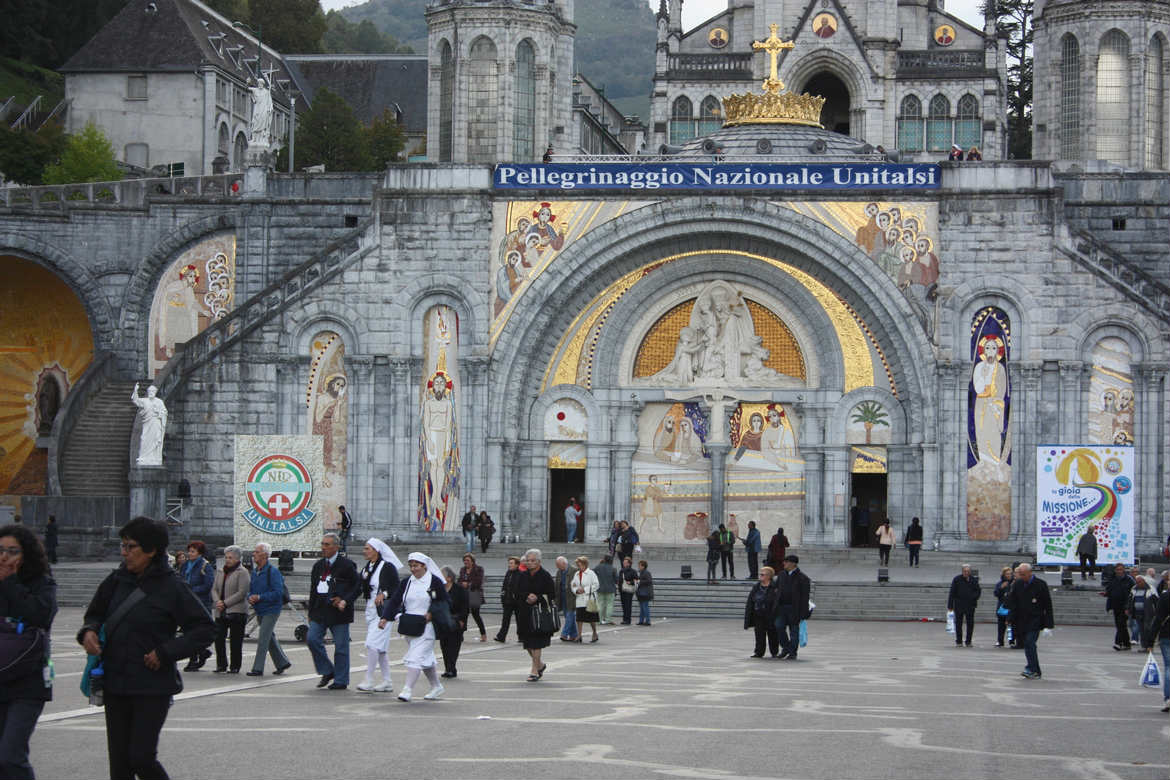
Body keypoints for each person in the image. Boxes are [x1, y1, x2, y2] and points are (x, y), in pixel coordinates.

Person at [78, 517, 213, 780]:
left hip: (152, 686)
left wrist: (166, 652)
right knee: (119, 765)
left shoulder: (172, 586)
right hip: (115, 682)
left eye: (131, 547)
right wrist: (89, 631)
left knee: (141, 758)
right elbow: (94, 614)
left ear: (151, 550)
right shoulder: (116, 580)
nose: (124, 552)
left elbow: (204, 629)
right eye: (123, 546)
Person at [0, 523, 57, 779]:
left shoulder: (41, 583)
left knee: (10, 755)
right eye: (0, 550)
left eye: (13, 551)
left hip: (28, 680)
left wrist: (10, 582)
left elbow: (40, 615)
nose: (4, 557)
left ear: (27, 554)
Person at [381, 553, 450, 701]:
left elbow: (444, 601)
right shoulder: (407, 582)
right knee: (425, 658)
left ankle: (407, 690)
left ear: (424, 566)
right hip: (410, 625)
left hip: (427, 627)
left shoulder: (434, 582)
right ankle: (436, 686)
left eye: (416, 566)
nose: (413, 569)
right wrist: (385, 617)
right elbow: (395, 600)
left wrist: (432, 612)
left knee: (415, 657)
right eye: (411, 566)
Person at [307, 533, 360, 690]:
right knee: (312, 639)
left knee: (341, 647)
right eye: (322, 544)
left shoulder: (347, 565)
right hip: (319, 610)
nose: (323, 547)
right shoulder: (318, 566)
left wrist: (344, 599)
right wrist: (310, 612)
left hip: (339, 612)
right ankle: (327, 670)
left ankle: (341, 680)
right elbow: (313, 590)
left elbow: (356, 587)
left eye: (327, 545)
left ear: (336, 547)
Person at [356, 538, 401, 692]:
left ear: (376, 551)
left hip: (384, 612)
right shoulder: (367, 567)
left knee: (372, 644)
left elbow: (396, 588)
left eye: (367, 548)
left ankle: (369, 679)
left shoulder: (387, 567)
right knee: (380, 649)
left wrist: (384, 594)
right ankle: (387, 681)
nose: (364, 551)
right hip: (371, 609)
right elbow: (359, 587)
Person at [245, 542, 291, 676]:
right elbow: (250, 589)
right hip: (260, 609)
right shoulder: (255, 572)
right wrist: (250, 597)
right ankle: (282, 662)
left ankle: (257, 668)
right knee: (269, 637)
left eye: (257, 552)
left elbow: (278, 592)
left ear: (265, 555)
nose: (254, 554)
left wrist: (260, 597)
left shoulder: (273, 572)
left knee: (263, 638)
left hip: (271, 610)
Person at [516, 549, 556, 682]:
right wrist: (526, 596)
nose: (529, 563)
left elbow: (552, 595)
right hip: (525, 613)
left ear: (539, 561)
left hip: (540, 614)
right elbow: (517, 591)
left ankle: (534, 670)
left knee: (536, 643)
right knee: (527, 643)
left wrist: (537, 597)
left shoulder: (545, 576)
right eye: (528, 560)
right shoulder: (522, 575)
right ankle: (540, 665)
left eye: (532, 560)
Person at [1008, 562, 1053, 679]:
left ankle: (1031, 668)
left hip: (1035, 619)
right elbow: (1013, 602)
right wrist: (1010, 617)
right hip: (1022, 620)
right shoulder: (1018, 584)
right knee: (1027, 645)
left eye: (1023, 574)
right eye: (1020, 574)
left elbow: (1048, 605)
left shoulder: (1040, 584)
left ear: (1030, 573)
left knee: (1029, 642)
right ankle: (1035, 670)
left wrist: (1049, 625)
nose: (1021, 576)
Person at [210, 545, 248, 673]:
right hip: (220, 611)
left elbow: (242, 592)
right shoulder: (221, 571)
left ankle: (235, 666)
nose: (227, 560)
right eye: (226, 557)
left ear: (237, 559)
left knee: (235, 641)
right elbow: (214, 589)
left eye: (230, 558)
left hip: (237, 611)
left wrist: (225, 603)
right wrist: (217, 601)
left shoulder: (242, 572)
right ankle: (221, 665)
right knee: (219, 638)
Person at [180, 540, 214, 671]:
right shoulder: (185, 565)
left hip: (200, 603)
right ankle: (199, 654)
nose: (190, 554)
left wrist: (192, 590)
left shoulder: (205, 566)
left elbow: (208, 585)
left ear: (200, 553)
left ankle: (196, 657)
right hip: (187, 602)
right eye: (189, 551)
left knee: (197, 632)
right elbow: (181, 579)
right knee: (188, 632)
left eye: (193, 551)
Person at [1142, 573, 1170, 711]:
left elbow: (1158, 618)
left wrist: (1150, 641)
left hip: (1166, 635)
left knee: (1169, 667)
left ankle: (1169, 699)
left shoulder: (1165, 597)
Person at [775, 555, 811, 660]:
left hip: (794, 608)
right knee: (779, 626)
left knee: (794, 631)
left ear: (793, 564)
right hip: (781, 607)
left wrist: (803, 613)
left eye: (786, 562)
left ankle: (792, 652)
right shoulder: (781, 575)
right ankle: (786, 648)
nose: (784, 563)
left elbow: (805, 597)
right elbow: (776, 588)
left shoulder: (802, 578)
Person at [744, 566, 780, 658]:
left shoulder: (774, 587)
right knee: (759, 633)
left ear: (769, 576)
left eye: (762, 575)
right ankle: (759, 652)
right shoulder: (757, 586)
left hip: (770, 613)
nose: (760, 576)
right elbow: (751, 600)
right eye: (760, 574)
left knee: (772, 633)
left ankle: (774, 652)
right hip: (758, 613)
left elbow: (776, 601)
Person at [440, 566, 469, 678]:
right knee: (444, 645)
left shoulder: (459, 590)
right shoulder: (440, 589)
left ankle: (451, 668)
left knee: (454, 646)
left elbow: (465, 607)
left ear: (449, 578)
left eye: (442, 575)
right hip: (443, 621)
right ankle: (448, 668)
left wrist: (462, 620)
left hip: (456, 621)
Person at [947, 564, 981, 647]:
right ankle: (959, 641)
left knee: (970, 624)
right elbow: (952, 593)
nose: (966, 573)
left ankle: (968, 641)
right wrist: (950, 605)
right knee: (958, 623)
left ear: (970, 572)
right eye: (965, 571)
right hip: (959, 605)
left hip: (970, 605)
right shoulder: (957, 579)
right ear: (962, 571)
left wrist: (973, 597)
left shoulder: (973, 580)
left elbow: (978, 591)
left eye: (968, 571)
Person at [458, 553, 488, 643]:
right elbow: (459, 580)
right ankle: (460, 635)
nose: (466, 562)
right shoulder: (462, 569)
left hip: (475, 594)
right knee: (463, 615)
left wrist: (468, 584)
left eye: (468, 560)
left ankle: (483, 634)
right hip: (464, 595)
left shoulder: (479, 569)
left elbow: (479, 581)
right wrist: (462, 584)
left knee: (476, 615)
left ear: (472, 561)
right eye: (464, 560)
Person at [1105, 563, 1135, 650]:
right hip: (1115, 606)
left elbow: (1132, 593)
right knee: (1120, 625)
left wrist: (1128, 607)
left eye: (1121, 569)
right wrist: (1106, 594)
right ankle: (1127, 643)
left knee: (1121, 623)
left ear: (1124, 570)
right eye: (1117, 570)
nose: (1119, 571)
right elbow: (1109, 591)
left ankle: (1118, 643)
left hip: (1125, 606)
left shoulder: (1129, 580)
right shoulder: (1113, 579)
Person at [571, 556, 600, 642]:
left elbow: (596, 585)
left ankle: (594, 632)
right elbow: (573, 585)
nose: (578, 567)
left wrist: (585, 589)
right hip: (580, 599)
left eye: (579, 565)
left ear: (585, 564)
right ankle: (579, 635)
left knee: (591, 619)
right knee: (579, 618)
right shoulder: (576, 574)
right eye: (577, 565)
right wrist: (576, 590)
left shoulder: (591, 573)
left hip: (589, 599)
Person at [494, 556, 522, 642]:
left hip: (517, 601)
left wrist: (518, 597)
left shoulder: (521, 574)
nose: (509, 565)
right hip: (508, 600)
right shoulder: (508, 573)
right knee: (505, 620)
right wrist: (503, 597)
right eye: (509, 563)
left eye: (511, 563)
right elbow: (504, 586)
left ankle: (522, 637)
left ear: (517, 565)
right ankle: (501, 636)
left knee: (520, 620)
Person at [555, 556, 578, 641]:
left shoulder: (574, 570)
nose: (557, 567)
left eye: (558, 565)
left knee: (570, 616)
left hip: (572, 597)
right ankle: (574, 635)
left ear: (564, 563)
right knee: (568, 616)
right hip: (562, 597)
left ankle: (564, 634)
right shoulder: (559, 572)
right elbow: (556, 585)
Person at [993, 566, 1015, 648]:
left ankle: (1011, 641)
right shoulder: (1000, 583)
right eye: (1007, 574)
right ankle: (1000, 641)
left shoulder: (1014, 583)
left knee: (1010, 626)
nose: (1009, 575)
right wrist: (1001, 588)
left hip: (1011, 607)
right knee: (1001, 626)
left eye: (1010, 574)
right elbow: (996, 593)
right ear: (1004, 575)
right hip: (1002, 606)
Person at [593, 554, 617, 625]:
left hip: (600, 588)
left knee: (600, 604)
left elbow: (593, 575)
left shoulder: (598, 567)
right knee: (609, 605)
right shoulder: (613, 568)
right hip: (610, 589)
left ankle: (599, 620)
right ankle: (608, 620)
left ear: (604, 559)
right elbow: (616, 579)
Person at [1130, 576, 1153, 649]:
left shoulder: (1150, 589)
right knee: (1141, 630)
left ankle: (1149, 645)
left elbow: (1156, 600)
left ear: (1144, 581)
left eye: (1140, 582)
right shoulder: (1134, 589)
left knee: (1147, 629)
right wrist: (1128, 608)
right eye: (1137, 582)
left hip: (1147, 613)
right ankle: (1144, 646)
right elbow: (1130, 599)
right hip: (1137, 613)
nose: (1138, 583)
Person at [619, 556, 638, 624]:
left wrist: (631, 582)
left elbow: (636, 580)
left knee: (628, 605)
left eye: (625, 562)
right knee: (624, 605)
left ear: (629, 564)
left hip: (629, 590)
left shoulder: (633, 571)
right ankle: (624, 619)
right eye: (623, 562)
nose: (624, 563)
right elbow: (620, 580)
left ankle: (628, 619)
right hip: (622, 590)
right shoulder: (621, 571)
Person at [635, 560, 654, 625]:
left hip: (645, 592)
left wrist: (639, 581)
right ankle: (641, 620)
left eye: (639, 565)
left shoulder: (646, 573)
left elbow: (649, 581)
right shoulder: (641, 572)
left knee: (645, 607)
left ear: (643, 566)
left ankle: (647, 621)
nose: (638, 566)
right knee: (642, 608)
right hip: (641, 592)